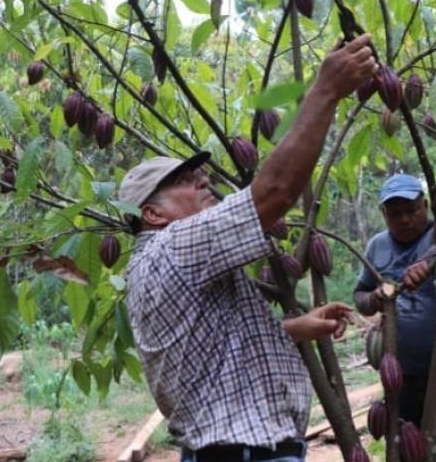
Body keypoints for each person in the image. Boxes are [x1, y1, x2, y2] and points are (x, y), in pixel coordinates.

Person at [120, 34, 377, 462]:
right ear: (152, 215)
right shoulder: (173, 248)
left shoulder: (159, 266)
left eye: (199, 175)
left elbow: (215, 352)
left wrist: (298, 327)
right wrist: (326, 89)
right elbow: (276, 190)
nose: (204, 181)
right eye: (183, 181)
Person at [352, 174, 436, 462]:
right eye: (396, 214)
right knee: (407, 451)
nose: (405, 219)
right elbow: (360, 296)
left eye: (412, 210)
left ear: (426, 205)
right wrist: (372, 300)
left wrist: (430, 261)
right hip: (402, 375)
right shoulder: (377, 246)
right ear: (384, 215)